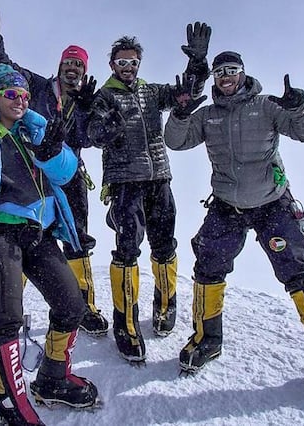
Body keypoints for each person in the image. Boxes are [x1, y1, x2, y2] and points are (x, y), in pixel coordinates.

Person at [163, 50, 304, 405]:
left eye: (231, 70)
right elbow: (176, 140)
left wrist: (300, 107)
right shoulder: (208, 115)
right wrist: (180, 112)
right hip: (226, 206)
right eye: (220, 72)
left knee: (298, 276)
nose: (225, 77)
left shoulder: (266, 106)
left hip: (272, 204)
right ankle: (207, 340)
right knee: (206, 269)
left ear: (243, 74)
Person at [0, 63, 99, 425]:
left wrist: (54, 149)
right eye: (11, 94)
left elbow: (65, 172)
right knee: (7, 320)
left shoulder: (35, 131)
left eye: (24, 95)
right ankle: (9, 405)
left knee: (71, 305)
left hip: (36, 233)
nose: (20, 100)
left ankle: (53, 380)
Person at [0, 8, 109, 337]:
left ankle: (84, 305)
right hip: (31, 169)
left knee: (77, 238)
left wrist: (90, 110)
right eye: (69, 62)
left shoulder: (84, 100)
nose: (73, 68)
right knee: (30, 232)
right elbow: (7, 71)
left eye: (79, 64)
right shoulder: (36, 86)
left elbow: (91, 138)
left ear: (84, 71)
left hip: (68, 172)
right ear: (60, 65)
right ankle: (12, 306)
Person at [86, 25, 209, 363]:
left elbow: (186, 93)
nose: (128, 67)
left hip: (159, 179)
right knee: (127, 249)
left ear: (139, 64)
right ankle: (125, 323)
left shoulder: (150, 92)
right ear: (112, 65)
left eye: (133, 62)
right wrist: (105, 129)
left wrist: (197, 64)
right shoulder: (105, 96)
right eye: (122, 62)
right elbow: (93, 132)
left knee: (165, 244)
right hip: (126, 183)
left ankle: (165, 306)